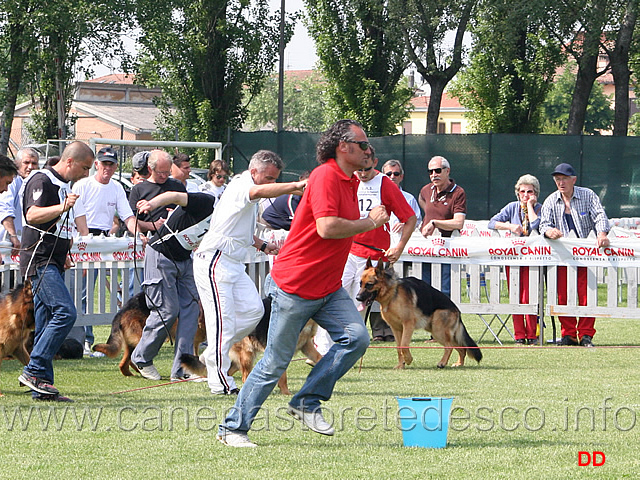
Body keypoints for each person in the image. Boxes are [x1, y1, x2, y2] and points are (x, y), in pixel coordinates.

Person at [217, 119, 389, 448]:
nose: (369, 150)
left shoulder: (350, 181)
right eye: (363, 144)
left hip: (328, 288)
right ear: (344, 147)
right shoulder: (325, 176)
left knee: (356, 338)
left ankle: (306, 401)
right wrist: (370, 222)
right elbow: (326, 227)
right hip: (295, 288)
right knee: (274, 362)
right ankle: (232, 429)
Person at [193, 150, 306, 396]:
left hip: (233, 263)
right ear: (253, 172)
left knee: (255, 311)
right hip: (214, 260)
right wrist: (294, 186)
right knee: (222, 322)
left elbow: (238, 229)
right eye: (268, 178)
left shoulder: (247, 193)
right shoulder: (242, 186)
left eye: (276, 179)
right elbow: (257, 192)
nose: (272, 184)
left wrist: (263, 245)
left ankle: (213, 353)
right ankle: (221, 383)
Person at [316, 148, 415, 349]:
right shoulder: (346, 179)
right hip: (344, 250)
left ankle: (348, 347)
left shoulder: (385, 184)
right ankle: (322, 348)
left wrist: (399, 247)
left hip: (372, 256)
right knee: (331, 295)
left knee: (358, 303)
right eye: (359, 169)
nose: (362, 174)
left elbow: (410, 218)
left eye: (367, 169)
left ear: (375, 162)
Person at [18, 141, 94, 402]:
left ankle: (42, 387)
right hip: (39, 260)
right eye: (85, 168)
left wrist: (65, 253)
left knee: (45, 321)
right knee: (65, 312)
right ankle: (35, 369)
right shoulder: (43, 180)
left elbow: (59, 227)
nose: (86, 174)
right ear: (70, 161)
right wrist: (63, 207)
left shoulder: (63, 186)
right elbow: (32, 215)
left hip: (53, 258)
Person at [131, 190, 215, 381]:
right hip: (161, 253)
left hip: (185, 260)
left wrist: (262, 246)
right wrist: (151, 204)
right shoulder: (207, 201)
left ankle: (183, 369)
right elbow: (174, 196)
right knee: (167, 311)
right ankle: (141, 358)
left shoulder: (230, 217)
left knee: (191, 313)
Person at [72, 147, 141, 354]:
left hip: (105, 240)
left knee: (102, 294)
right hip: (83, 240)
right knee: (82, 293)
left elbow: (128, 216)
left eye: (111, 164)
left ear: (116, 166)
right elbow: (76, 215)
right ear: (96, 165)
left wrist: (138, 234)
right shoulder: (82, 185)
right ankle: (82, 340)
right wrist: (83, 241)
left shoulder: (117, 187)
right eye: (104, 164)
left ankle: (93, 340)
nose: (107, 168)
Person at [539, 163, 610, 348]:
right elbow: (543, 223)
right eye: (557, 179)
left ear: (573, 180)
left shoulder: (588, 195)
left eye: (564, 179)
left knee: (587, 295)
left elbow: (600, 216)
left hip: (586, 255)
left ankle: (586, 334)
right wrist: (549, 231)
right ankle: (568, 334)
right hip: (562, 257)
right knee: (562, 295)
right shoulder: (551, 200)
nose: (560, 183)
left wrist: (602, 233)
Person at [488, 174, 542, 345]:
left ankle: (532, 334)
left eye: (530, 192)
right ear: (517, 193)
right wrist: (510, 225)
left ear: (535, 194)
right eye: (522, 191)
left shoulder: (540, 208)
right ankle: (519, 334)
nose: (525, 195)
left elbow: (536, 225)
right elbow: (492, 222)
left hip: (533, 259)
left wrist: (530, 206)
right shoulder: (511, 208)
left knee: (530, 296)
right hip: (513, 258)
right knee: (516, 296)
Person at [418, 155, 466, 297]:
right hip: (427, 248)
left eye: (438, 170)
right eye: (430, 171)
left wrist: (434, 222)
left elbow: (459, 223)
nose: (434, 175)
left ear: (447, 171)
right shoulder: (426, 190)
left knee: (445, 291)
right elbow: (422, 201)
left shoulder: (458, 192)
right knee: (425, 289)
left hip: (448, 249)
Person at [128, 150, 186, 233]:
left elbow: (188, 213)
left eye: (167, 172)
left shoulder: (177, 186)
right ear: (150, 169)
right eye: (160, 172)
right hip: (150, 239)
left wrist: (176, 215)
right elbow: (131, 221)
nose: (164, 176)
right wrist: (153, 225)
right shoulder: (138, 190)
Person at [0, 148, 39, 256]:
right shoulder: (14, 181)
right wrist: (13, 235)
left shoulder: (37, 183)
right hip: (9, 245)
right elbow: (4, 207)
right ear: (17, 164)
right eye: (26, 162)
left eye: (34, 163)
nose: (30, 167)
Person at [381, 159, 421, 232]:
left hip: (402, 238)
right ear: (383, 177)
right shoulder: (376, 196)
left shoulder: (409, 199)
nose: (392, 176)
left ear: (401, 177)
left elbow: (417, 220)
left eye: (396, 174)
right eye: (388, 174)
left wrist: (406, 225)